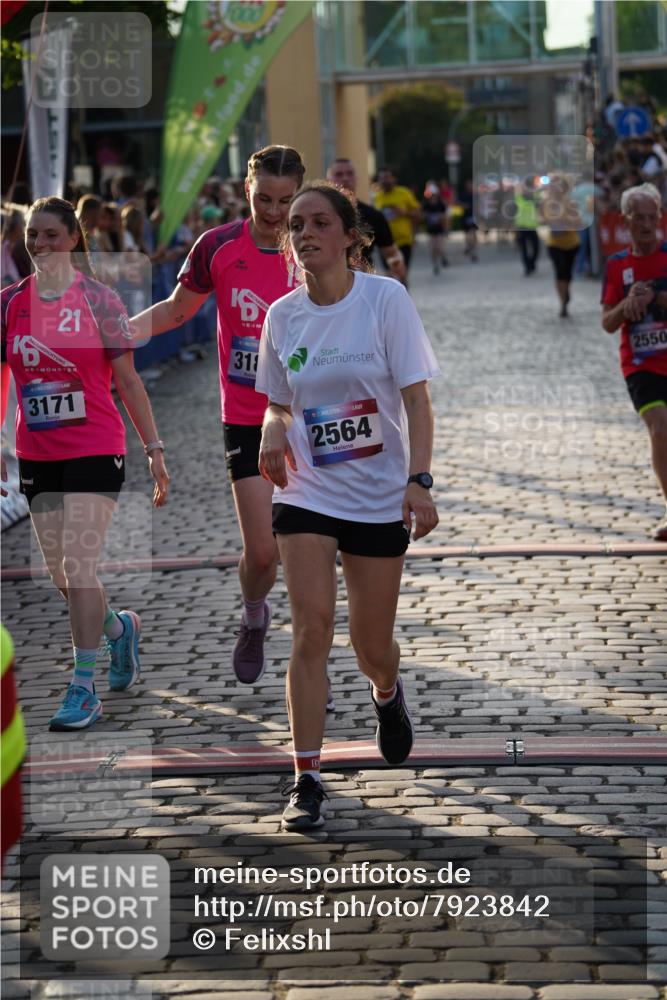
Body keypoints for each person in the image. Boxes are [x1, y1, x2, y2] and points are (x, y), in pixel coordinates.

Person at [256, 182, 440, 831]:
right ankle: (305, 777)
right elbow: (277, 401)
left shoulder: (385, 300)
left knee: (370, 644)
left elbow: (416, 400)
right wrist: (273, 428)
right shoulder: (282, 315)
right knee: (310, 628)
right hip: (307, 490)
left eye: (317, 222)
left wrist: (418, 479)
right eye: (295, 225)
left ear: (349, 235)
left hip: (375, 495)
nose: (303, 232)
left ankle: (385, 693)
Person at [129, 147, 337, 699]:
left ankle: (315, 662)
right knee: (264, 553)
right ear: (246, 191)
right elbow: (176, 310)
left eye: (286, 201)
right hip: (247, 417)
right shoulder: (218, 247)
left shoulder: (313, 249)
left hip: (312, 418)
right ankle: (253, 615)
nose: (274, 214)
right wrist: (117, 333)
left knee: (315, 549)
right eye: (264, 200)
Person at [0, 196, 169, 730]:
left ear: (74, 238)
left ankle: (83, 686)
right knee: (63, 576)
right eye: (33, 236)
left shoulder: (100, 302)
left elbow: (128, 381)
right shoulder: (9, 304)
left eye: (51, 234)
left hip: (97, 445)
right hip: (37, 452)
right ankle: (119, 629)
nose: (41, 245)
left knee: (79, 564)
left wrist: (155, 451)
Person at [601, 182, 667, 541]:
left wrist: (657, 297)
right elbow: (607, 323)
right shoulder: (617, 265)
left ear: (659, 216)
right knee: (660, 429)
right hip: (640, 364)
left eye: (650, 216)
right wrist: (626, 307)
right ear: (625, 221)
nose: (645, 223)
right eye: (637, 218)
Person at [326, 158, 406, 284]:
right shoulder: (317, 215)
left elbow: (391, 252)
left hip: (362, 284)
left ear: (357, 179)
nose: (345, 178)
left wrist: (397, 267)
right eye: (339, 174)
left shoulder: (373, 215)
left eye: (350, 174)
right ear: (329, 181)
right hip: (326, 285)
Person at [373, 167, 421, 273]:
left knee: (402, 274)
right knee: (390, 275)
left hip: (403, 242)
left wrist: (404, 213)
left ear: (394, 179)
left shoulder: (404, 193)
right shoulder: (377, 198)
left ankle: (404, 287)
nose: (384, 181)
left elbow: (418, 214)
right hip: (385, 244)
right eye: (381, 178)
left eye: (387, 177)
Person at [514, 178, 540, 276]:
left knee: (536, 249)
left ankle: (531, 263)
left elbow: (540, 208)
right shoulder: (518, 198)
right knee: (524, 249)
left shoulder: (535, 198)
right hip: (522, 227)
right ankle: (527, 267)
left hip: (532, 227)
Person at [421, 181, 448, 274]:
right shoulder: (426, 205)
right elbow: (422, 216)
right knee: (432, 249)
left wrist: (445, 228)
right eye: (431, 195)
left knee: (439, 247)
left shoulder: (441, 204)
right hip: (430, 230)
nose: (432, 196)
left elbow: (445, 217)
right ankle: (435, 265)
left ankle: (443, 257)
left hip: (439, 229)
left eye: (434, 194)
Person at [458, 180, 478, 262]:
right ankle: (468, 247)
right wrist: (463, 205)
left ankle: (472, 251)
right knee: (467, 235)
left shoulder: (475, 195)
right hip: (466, 217)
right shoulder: (463, 194)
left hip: (474, 217)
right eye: (469, 185)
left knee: (473, 235)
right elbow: (458, 203)